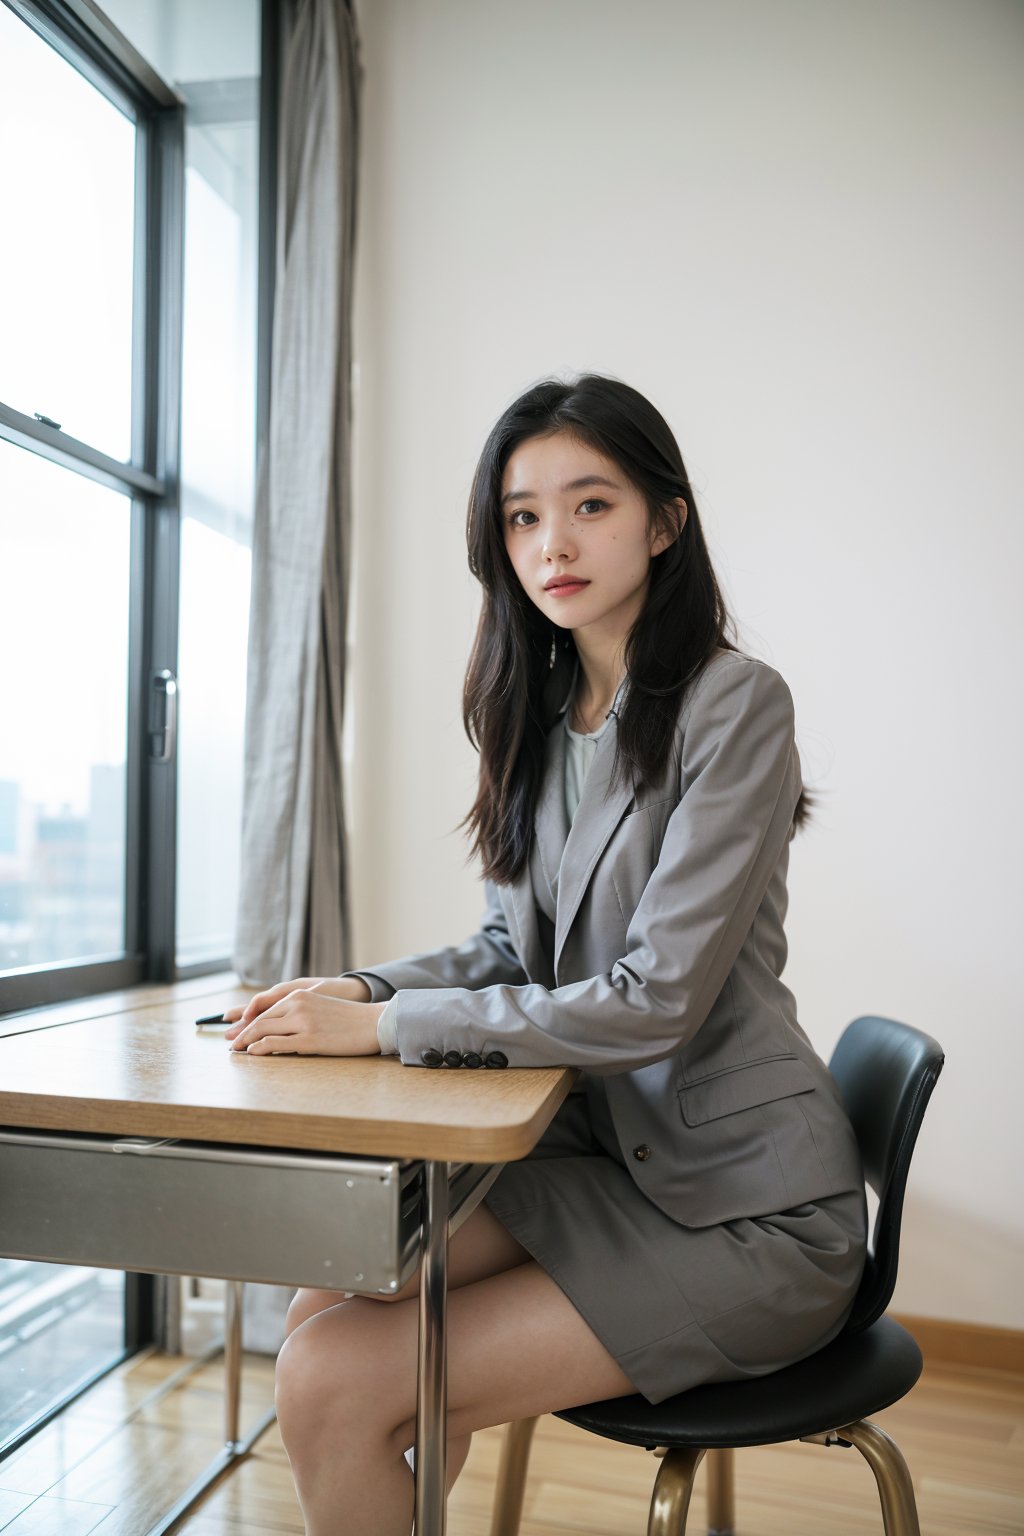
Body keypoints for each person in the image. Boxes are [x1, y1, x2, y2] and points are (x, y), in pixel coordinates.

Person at [224, 373, 867, 1536]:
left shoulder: (735, 704)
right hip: (602, 1168)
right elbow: (502, 950)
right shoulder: (539, 713)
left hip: (745, 1216)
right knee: (328, 1299)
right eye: (522, 515)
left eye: (590, 505)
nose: (551, 542)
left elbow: (651, 1000)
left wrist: (382, 1031)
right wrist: (362, 988)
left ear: (663, 522)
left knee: (334, 1379)